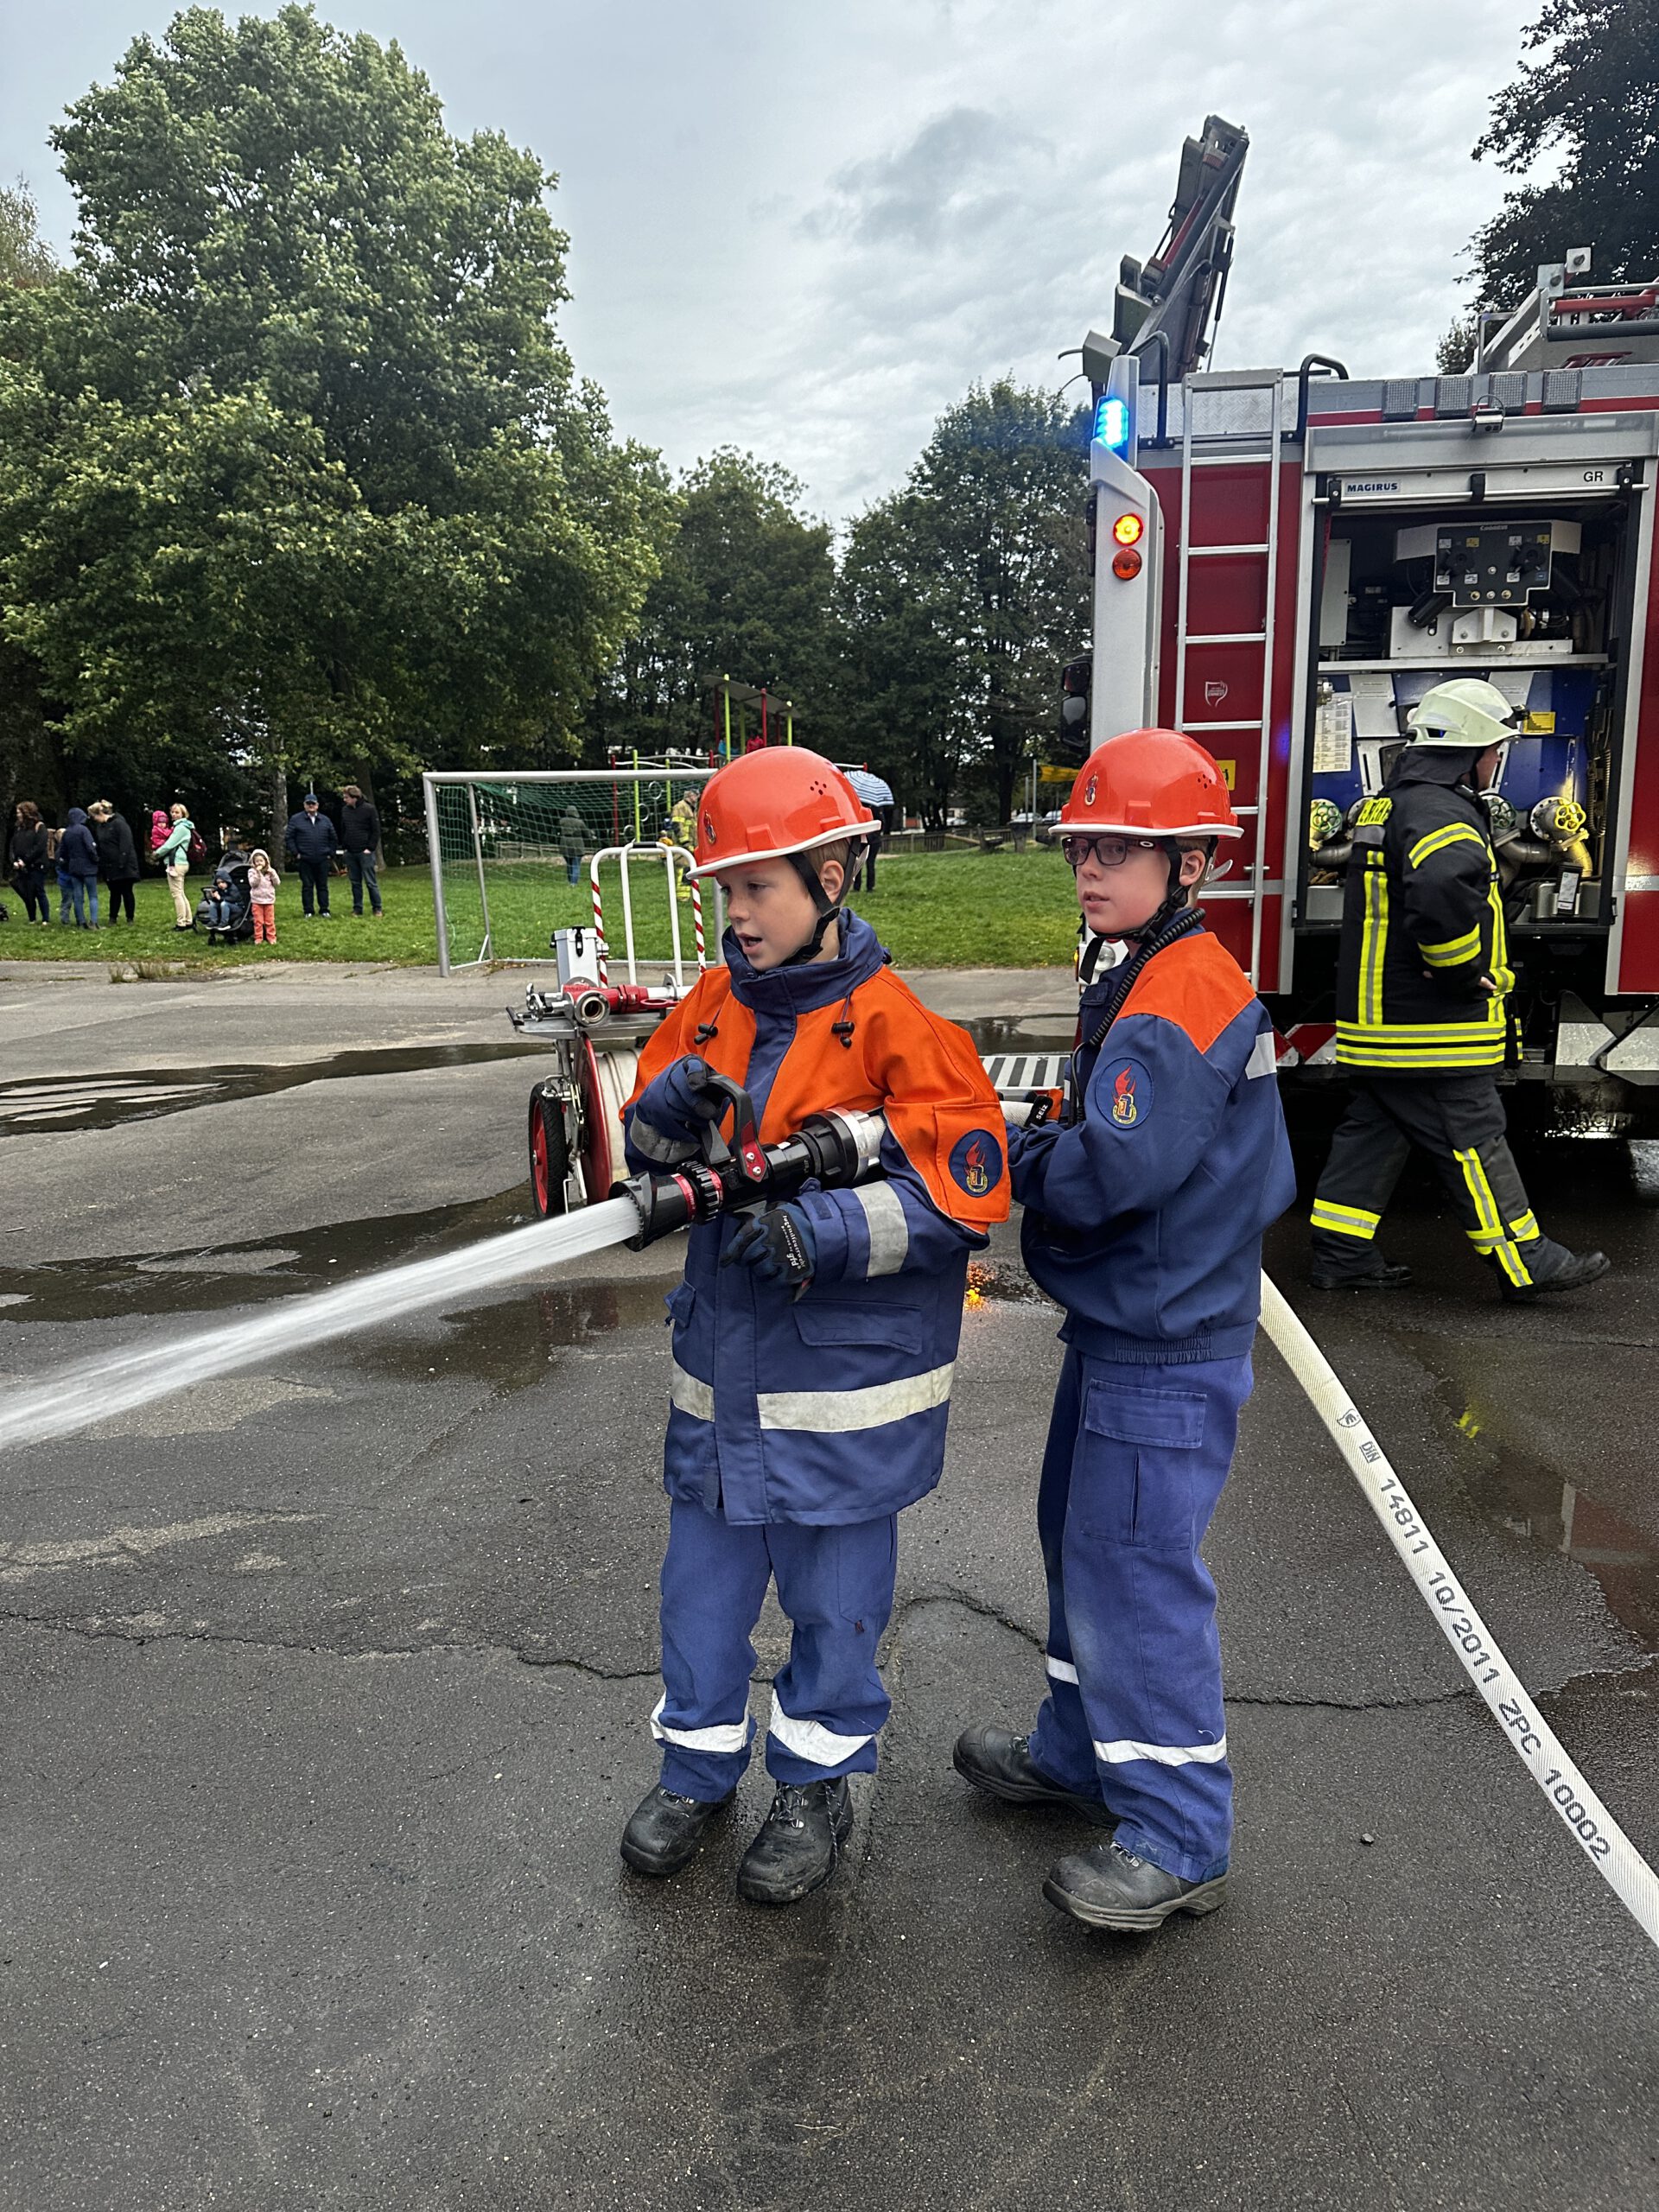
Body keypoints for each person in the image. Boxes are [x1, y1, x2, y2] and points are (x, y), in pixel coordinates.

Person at [617, 746, 1010, 1905]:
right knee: (699, 1601)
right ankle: (695, 1772)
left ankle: (816, 1785)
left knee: (835, 1610)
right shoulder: (709, 1011)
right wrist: (662, 1114)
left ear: (833, 875)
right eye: (724, 891)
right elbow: (642, 1148)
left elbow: (963, 1188)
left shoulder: (902, 1029)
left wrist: (819, 1234)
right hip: (722, 1386)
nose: (735, 916)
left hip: (840, 1401)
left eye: (759, 889)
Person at [952, 728, 1295, 1935]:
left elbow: (1114, 1169)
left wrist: (1017, 1158)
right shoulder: (1142, 975)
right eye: (1085, 847)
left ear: (1191, 865)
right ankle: (1079, 1753)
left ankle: (1178, 1833)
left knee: (1136, 1572)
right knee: (1075, 1540)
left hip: (1163, 1331)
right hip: (1125, 1320)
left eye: (1123, 851)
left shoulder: (1178, 993)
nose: (1093, 869)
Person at [1308, 677, 1609, 1301]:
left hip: (1379, 1020)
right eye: (1496, 747)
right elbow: (1443, 894)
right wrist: (1458, 971)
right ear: (1475, 751)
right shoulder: (1442, 811)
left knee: (1373, 1132)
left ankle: (1341, 1254)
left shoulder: (1388, 804)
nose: (1498, 759)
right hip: (1427, 1023)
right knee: (1472, 1133)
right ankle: (1527, 1261)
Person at [284, 792, 338, 917]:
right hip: (305, 859)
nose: (311, 806)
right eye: (308, 804)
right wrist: (296, 853)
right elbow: (289, 837)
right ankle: (308, 911)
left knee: (323, 886)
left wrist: (331, 853)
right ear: (304, 805)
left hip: (322, 858)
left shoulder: (325, 820)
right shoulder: (296, 819)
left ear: (317, 805)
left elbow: (333, 838)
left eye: (313, 803)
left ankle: (324, 909)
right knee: (307, 886)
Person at [86, 801, 140, 924]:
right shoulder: (100, 827)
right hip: (109, 865)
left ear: (100, 813)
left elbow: (126, 844)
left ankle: (130, 918)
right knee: (114, 892)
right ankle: (113, 917)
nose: (94, 820)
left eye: (94, 817)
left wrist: (122, 862)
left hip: (124, 864)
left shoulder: (119, 824)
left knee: (127, 891)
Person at [339, 784, 383, 917]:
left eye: (347, 797)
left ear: (355, 797)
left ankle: (377, 908)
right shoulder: (345, 811)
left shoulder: (369, 809)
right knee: (355, 882)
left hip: (365, 852)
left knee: (370, 882)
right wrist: (344, 846)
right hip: (350, 852)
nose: (344, 800)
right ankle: (358, 908)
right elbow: (343, 829)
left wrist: (370, 848)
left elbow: (375, 831)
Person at [54, 806, 100, 928]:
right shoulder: (84, 830)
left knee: (78, 896)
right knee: (93, 896)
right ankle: (94, 922)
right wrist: (96, 859)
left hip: (74, 868)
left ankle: (81, 922)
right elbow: (90, 848)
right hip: (88, 867)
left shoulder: (67, 832)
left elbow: (63, 852)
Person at [154, 804, 194, 929]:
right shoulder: (182, 827)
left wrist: (156, 853)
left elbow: (169, 845)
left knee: (177, 894)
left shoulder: (180, 828)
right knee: (181, 893)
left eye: (177, 812)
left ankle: (181, 922)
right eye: (172, 812)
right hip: (181, 862)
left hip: (176, 863)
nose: (174, 814)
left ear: (183, 814)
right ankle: (188, 920)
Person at [10, 802, 49, 924]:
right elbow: (13, 845)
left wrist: (25, 860)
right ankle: (32, 918)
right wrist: (14, 860)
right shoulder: (19, 828)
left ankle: (45, 918)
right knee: (27, 892)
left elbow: (39, 847)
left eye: (19, 812)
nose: (17, 815)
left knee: (39, 891)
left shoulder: (40, 827)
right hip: (21, 866)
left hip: (36, 864)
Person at [247, 849, 281, 944]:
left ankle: (271, 937)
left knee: (270, 921)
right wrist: (258, 873)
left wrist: (272, 873)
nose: (259, 863)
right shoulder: (252, 872)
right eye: (257, 861)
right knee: (258, 921)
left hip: (269, 900)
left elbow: (277, 883)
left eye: (261, 861)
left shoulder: (270, 872)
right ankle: (258, 937)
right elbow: (253, 884)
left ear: (266, 861)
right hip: (257, 901)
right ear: (253, 862)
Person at [559, 806, 585, 887]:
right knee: (576, 864)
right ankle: (573, 883)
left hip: (565, 843)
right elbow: (586, 833)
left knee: (569, 864)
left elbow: (557, 830)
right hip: (577, 844)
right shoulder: (580, 822)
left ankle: (570, 881)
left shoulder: (562, 821)